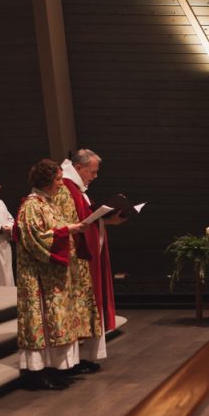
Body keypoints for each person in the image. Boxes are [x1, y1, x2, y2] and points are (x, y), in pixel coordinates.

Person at [16, 159, 98, 390]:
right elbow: (36, 238)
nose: (61, 184)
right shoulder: (32, 206)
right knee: (41, 321)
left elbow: (57, 227)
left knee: (54, 322)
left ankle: (53, 368)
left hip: (53, 275)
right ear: (45, 181)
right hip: (39, 277)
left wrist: (73, 228)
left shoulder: (48, 203)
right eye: (58, 180)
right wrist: (68, 230)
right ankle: (37, 372)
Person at [54, 148, 125, 372]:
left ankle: (76, 358)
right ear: (78, 167)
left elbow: (86, 218)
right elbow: (70, 223)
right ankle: (71, 361)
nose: (94, 176)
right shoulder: (66, 188)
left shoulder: (77, 189)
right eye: (92, 172)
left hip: (84, 257)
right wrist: (101, 221)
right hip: (76, 260)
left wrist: (107, 221)